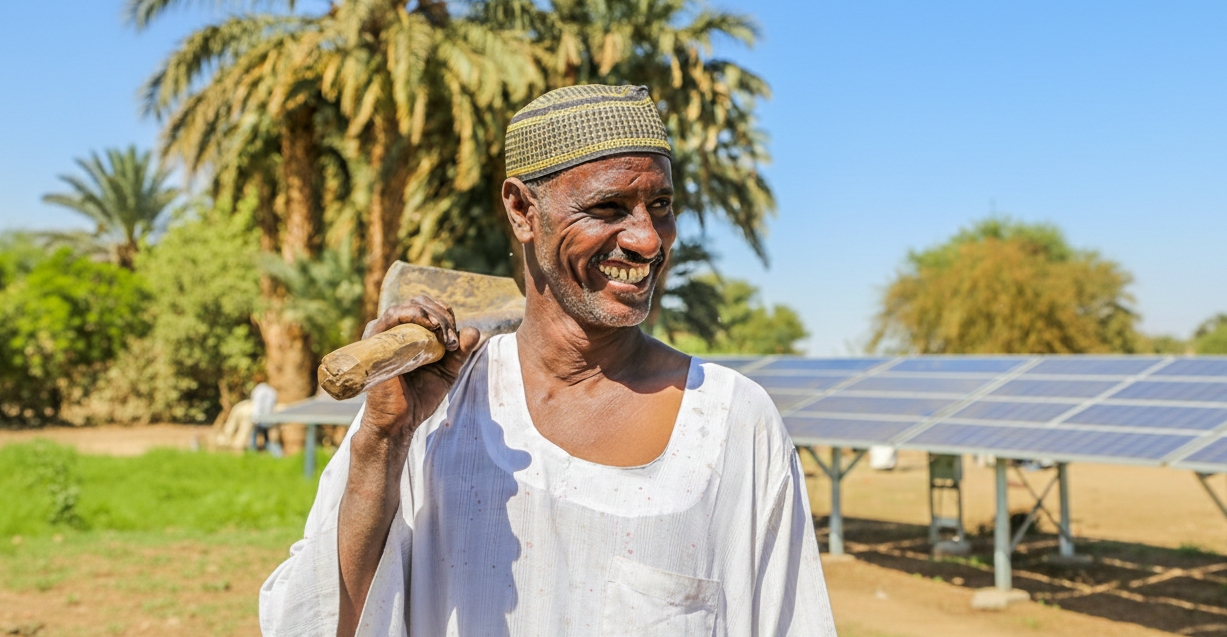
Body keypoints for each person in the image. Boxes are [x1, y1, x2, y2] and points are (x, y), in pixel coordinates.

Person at [259, 84, 835, 636]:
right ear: (522, 211)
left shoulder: (732, 420)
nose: (648, 240)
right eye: (608, 207)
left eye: (660, 206)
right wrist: (384, 440)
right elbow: (315, 622)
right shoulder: (431, 406)